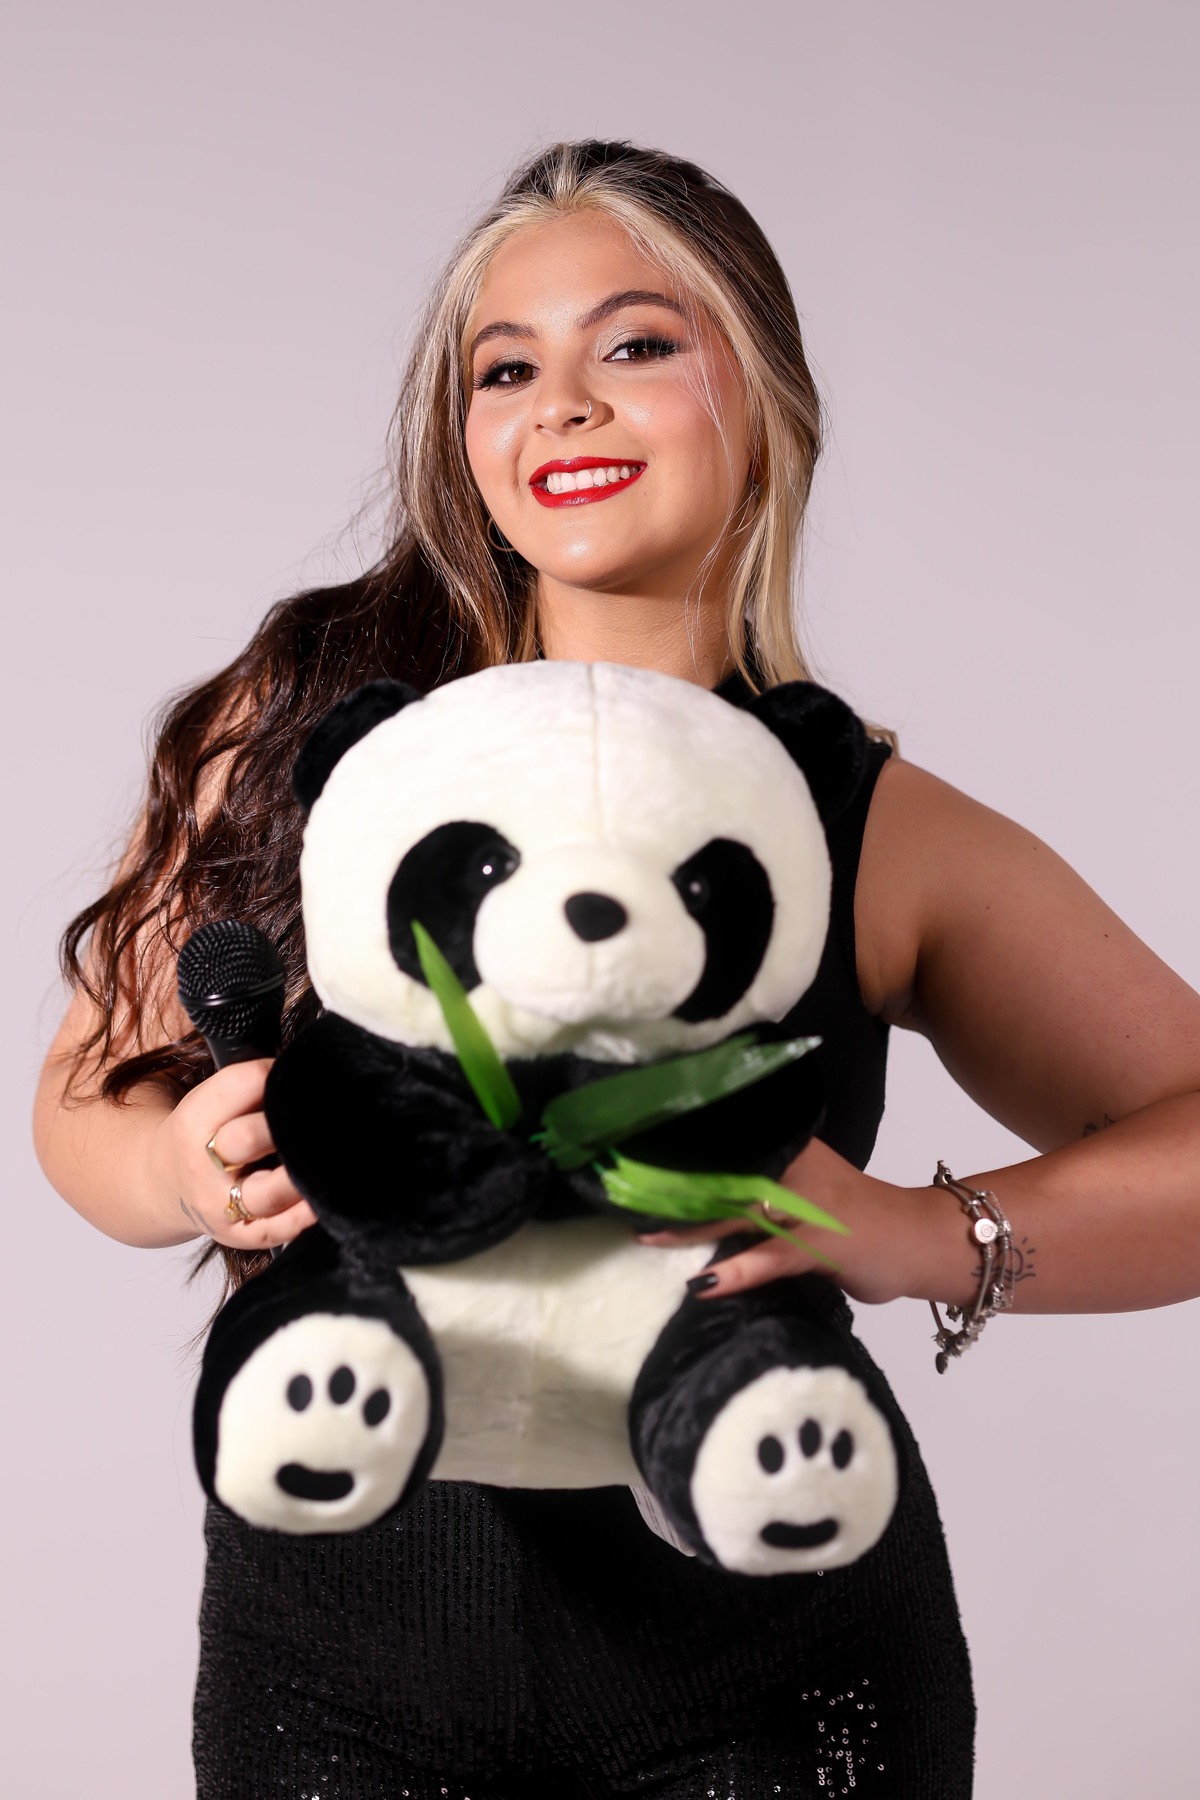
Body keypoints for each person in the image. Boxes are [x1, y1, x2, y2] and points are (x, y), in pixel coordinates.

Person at [33, 139, 1200, 1798]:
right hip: (336, 1679)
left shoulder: (858, 819)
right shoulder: (314, 724)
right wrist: (174, 1166)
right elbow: (84, 1099)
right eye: (505, 370)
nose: (562, 407)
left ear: (765, 400)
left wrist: (919, 1235)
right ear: (463, 438)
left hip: (778, 1673)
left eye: (636, 344)